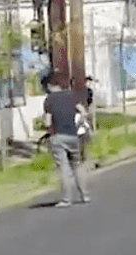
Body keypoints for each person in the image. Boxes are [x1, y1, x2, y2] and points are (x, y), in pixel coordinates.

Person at [43, 72, 90, 207]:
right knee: (77, 164)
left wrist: (47, 127)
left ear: (52, 85)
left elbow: (47, 122)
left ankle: (67, 199)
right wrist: (79, 121)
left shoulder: (49, 100)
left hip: (58, 136)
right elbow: (83, 111)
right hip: (73, 135)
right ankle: (85, 195)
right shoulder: (72, 96)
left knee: (64, 167)